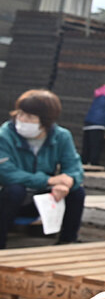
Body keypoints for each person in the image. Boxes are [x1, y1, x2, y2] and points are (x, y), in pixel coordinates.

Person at [0, 90, 86, 248]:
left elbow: (74, 167)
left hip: (42, 199)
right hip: (9, 199)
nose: (22, 120)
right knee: (14, 190)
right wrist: (48, 180)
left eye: (30, 117)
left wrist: (66, 182)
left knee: (77, 192)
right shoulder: (5, 134)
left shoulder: (61, 136)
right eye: (20, 114)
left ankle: (67, 241)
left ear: (45, 121)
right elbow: (6, 172)